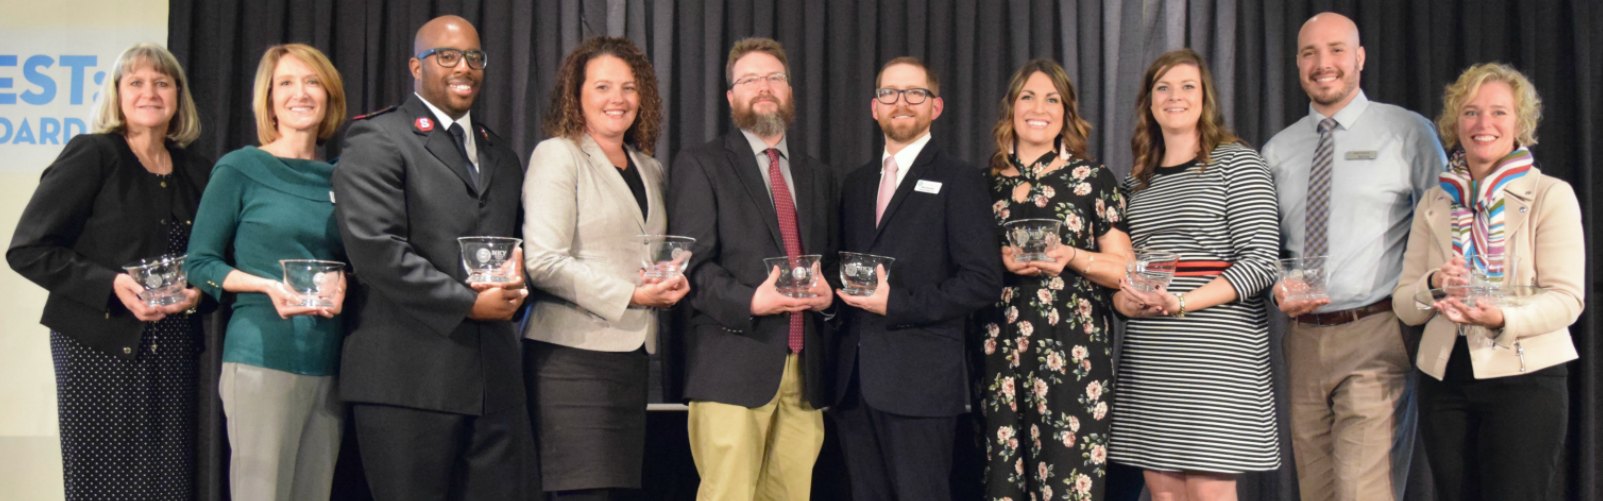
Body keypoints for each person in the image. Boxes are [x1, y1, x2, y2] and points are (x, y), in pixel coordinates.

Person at [331, 15, 535, 500]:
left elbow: (515, 245)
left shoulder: (500, 154)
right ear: (414, 66)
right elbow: (376, 250)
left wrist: (519, 285)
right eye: (446, 55)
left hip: (493, 382)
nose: (463, 67)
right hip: (407, 381)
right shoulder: (377, 138)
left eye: (473, 57)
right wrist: (466, 302)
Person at [7, 42, 209, 500]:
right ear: (117, 95)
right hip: (96, 348)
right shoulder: (93, 154)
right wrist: (111, 284)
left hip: (175, 350)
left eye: (161, 82)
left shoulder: (197, 170)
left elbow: (209, 261)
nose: (149, 92)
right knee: (104, 485)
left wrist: (199, 293)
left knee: (168, 484)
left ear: (178, 94)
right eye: (135, 82)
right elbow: (29, 248)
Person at [1259, 12, 1446, 501]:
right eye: (1309, 53)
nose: (1324, 64)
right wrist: (1279, 284)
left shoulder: (1408, 132)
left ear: (1360, 58)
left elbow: (1447, 228)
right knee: (1317, 492)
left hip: (1377, 336)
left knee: (1364, 492)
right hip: (1302, 341)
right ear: (1298, 64)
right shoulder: (1278, 150)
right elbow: (1265, 249)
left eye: (1337, 50)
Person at [1393, 62, 1584, 501]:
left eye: (1499, 112)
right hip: (1445, 379)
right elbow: (1405, 303)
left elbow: (1567, 299)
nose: (1484, 124)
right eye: (1471, 112)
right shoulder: (1435, 200)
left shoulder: (1550, 195)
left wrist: (1501, 316)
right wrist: (1435, 282)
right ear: (1455, 123)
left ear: (1520, 124)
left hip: (1525, 377)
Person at [1106, 48, 1281, 500]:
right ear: (1148, 101)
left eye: (1187, 86)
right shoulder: (1136, 181)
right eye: (1162, 87)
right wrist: (1123, 302)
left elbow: (1261, 261)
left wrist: (1183, 302)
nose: (1174, 96)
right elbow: (1124, 267)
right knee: (1161, 489)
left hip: (1217, 350)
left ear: (1206, 98)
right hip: (1152, 349)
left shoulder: (1237, 162)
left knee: (1208, 488)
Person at [667, 37, 836, 500]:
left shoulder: (818, 174)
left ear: (790, 90)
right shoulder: (700, 164)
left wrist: (829, 297)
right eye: (749, 79)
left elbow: (830, 262)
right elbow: (691, 266)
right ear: (730, 97)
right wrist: (750, 300)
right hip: (731, 367)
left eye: (774, 78)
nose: (763, 87)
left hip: (805, 373)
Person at [521, 36, 687, 500]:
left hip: (631, 359)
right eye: (602, 87)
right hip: (570, 359)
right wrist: (632, 294)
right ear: (577, 95)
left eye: (629, 87)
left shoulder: (649, 167)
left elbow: (645, 253)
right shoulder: (558, 155)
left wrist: (668, 275)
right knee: (582, 493)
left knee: (617, 492)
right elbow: (544, 261)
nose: (618, 99)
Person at [183, 43, 349, 501]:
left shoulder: (344, 176)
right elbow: (199, 264)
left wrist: (345, 281)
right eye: (287, 84)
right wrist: (264, 284)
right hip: (260, 356)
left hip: (329, 363)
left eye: (312, 82)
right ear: (269, 100)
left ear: (330, 95)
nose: (301, 93)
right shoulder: (241, 168)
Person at [832, 56, 1002, 501]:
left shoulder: (960, 180)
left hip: (920, 386)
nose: (901, 102)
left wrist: (898, 303)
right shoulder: (855, 184)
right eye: (889, 93)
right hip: (854, 385)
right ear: (874, 107)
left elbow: (982, 281)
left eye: (915, 93)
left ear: (936, 106)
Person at [979, 58, 1132, 501]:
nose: (1038, 107)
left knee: (1069, 482)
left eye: (1052, 98)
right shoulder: (982, 185)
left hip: (1073, 352)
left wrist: (1071, 256)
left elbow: (1123, 269)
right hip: (997, 351)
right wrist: (999, 259)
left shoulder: (1092, 180)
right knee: (1003, 482)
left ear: (1067, 112)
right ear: (1011, 108)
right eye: (1027, 96)